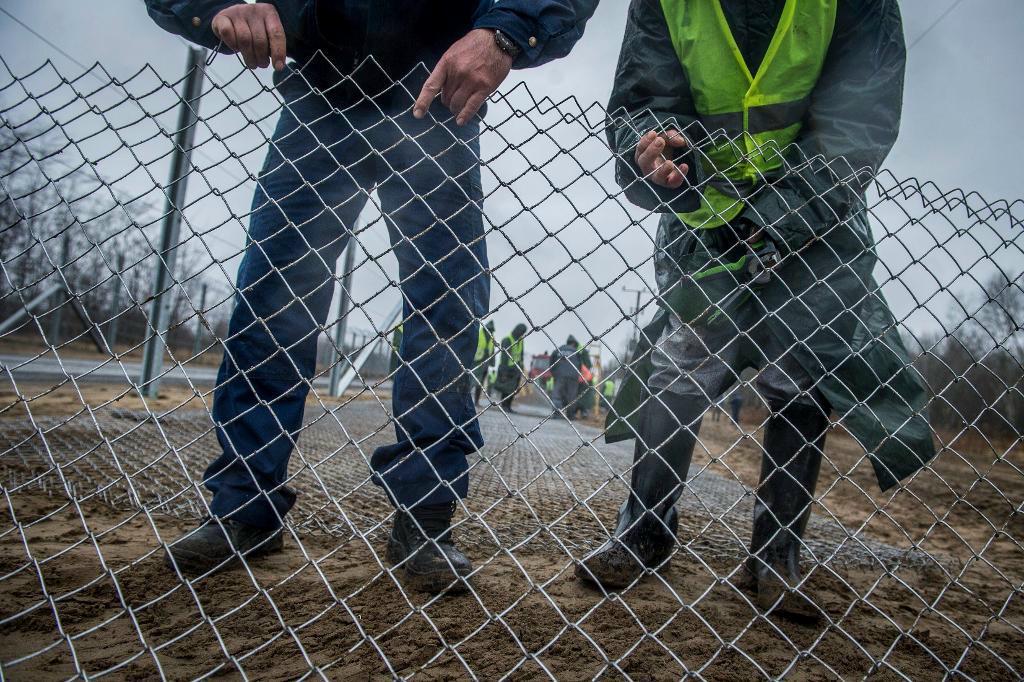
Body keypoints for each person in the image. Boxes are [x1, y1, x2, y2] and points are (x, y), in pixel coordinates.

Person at [147, 0, 598, 593]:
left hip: (434, 97)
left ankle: (425, 517)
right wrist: (214, 8)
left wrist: (505, 33)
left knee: (445, 311)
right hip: (321, 90)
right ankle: (242, 506)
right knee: (274, 300)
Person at [584, 0, 935, 616]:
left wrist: (777, 218)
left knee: (798, 377)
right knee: (683, 365)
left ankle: (777, 556)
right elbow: (641, 99)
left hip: (814, 222)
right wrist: (653, 150)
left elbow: (859, 123)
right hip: (704, 218)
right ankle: (643, 532)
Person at [494, 324, 527, 412]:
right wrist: (504, 372)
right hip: (507, 368)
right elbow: (504, 356)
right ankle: (504, 406)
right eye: (521, 332)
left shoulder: (520, 340)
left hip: (516, 369)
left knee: (513, 389)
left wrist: (521, 368)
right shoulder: (507, 339)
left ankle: (508, 406)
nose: (522, 334)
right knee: (506, 388)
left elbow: (521, 355)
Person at [549, 335, 583, 419]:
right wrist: (576, 374)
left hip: (559, 375)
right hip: (573, 377)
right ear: (574, 344)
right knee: (571, 396)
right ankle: (570, 416)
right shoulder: (576, 351)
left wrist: (554, 373)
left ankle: (557, 414)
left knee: (557, 394)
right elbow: (580, 365)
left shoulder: (559, 349)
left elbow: (551, 362)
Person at [474, 320, 497, 404]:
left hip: (485, 364)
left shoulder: (491, 337)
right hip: (476, 363)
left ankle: (476, 401)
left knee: (480, 384)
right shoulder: (479, 334)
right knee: (472, 382)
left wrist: (492, 363)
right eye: (489, 329)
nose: (490, 331)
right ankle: (466, 400)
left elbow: (492, 350)